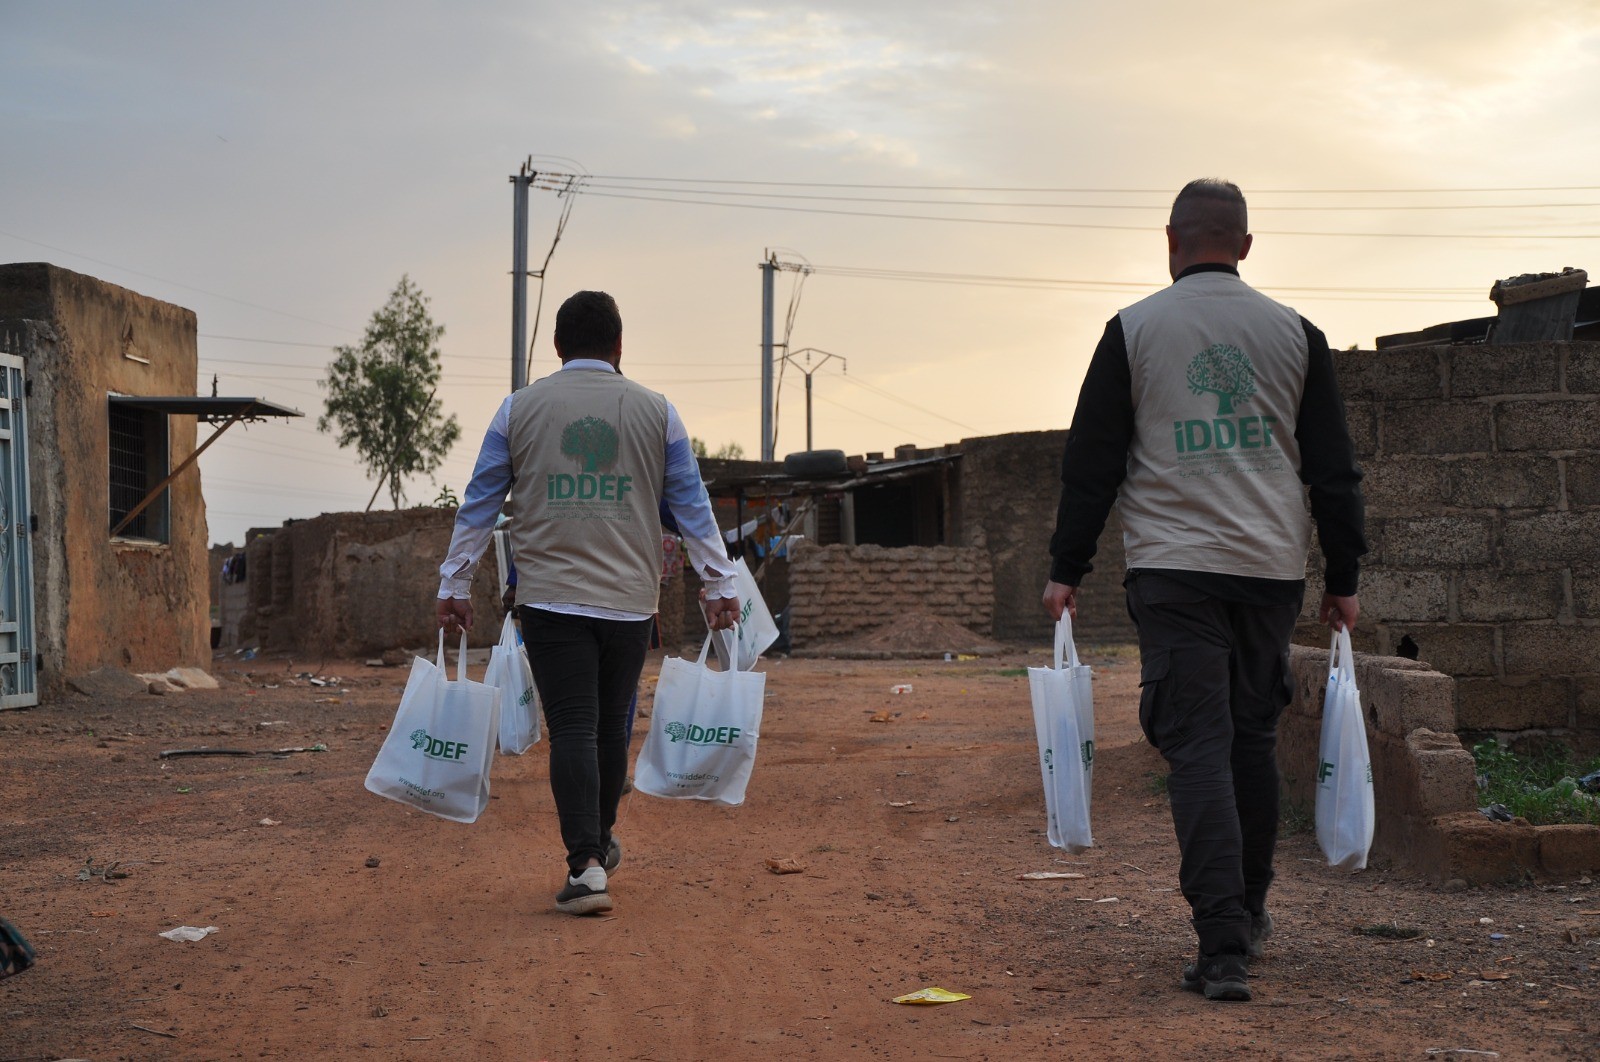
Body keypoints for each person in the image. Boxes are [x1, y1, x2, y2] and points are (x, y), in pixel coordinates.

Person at [1042, 179, 1366, 1003]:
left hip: (1175, 568)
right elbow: (1331, 469)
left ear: (1170, 239)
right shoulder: (1296, 333)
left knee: (1196, 745)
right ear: (1247, 246)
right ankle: (1248, 917)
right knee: (1249, 741)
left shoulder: (1134, 330)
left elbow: (1093, 461)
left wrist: (1066, 568)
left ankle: (1220, 947)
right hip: (1269, 572)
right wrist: (1345, 577)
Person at [437, 290, 740, 916]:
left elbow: (480, 501)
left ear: (556, 347)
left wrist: (455, 584)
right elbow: (692, 507)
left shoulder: (517, 409)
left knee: (573, 725)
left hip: (549, 600)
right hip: (631, 602)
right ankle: (597, 846)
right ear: (620, 346)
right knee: (607, 728)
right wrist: (720, 586)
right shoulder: (659, 413)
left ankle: (588, 864)